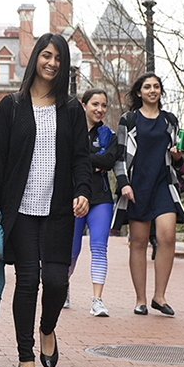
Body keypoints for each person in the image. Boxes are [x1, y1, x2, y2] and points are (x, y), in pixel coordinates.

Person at [0, 33, 92, 367]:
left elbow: (81, 158)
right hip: (22, 210)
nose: (52, 63)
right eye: (46, 55)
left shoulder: (72, 109)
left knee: (57, 282)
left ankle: (47, 328)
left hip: (59, 210)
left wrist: (83, 189)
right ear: (35, 59)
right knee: (28, 281)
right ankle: (25, 357)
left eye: (58, 58)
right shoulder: (12, 106)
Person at [111, 72, 184, 316]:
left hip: (163, 185)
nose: (152, 90)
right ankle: (140, 299)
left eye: (156, 86)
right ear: (139, 92)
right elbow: (120, 155)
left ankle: (160, 296)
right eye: (147, 87)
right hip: (137, 187)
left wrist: (178, 157)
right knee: (139, 242)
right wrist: (124, 183)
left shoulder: (169, 120)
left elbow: (177, 160)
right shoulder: (129, 120)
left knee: (167, 237)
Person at [66, 89, 117, 316]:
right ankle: (63, 288)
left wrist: (81, 159)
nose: (99, 109)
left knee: (99, 246)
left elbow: (109, 160)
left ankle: (97, 299)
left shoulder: (109, 135)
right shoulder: (69, 131)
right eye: (95, 104)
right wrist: (92, 162)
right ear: (83, 105)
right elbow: (65, 159)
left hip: (101, 199)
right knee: (72, 249)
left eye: (103, 105)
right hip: (73, 197)